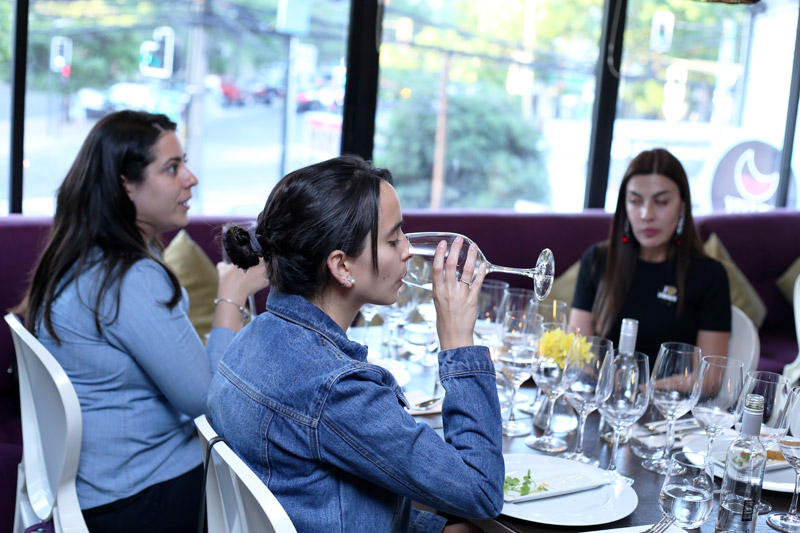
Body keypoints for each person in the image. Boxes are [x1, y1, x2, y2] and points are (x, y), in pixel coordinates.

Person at [207, 155, 503, 532]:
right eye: (393, 239)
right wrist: (458, 340)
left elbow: (311, 497)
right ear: (342, 266)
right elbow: (481, 490)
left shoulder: (252, 337)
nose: (408, 250)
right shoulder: (336, 390)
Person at [20, 110, 267, 532]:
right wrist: (232, 294)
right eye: (172, 168)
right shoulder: (128, 277)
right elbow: (207, 400)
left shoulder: (80, 257)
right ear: (127, 186)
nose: (191, 178)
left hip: (101, 485)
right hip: (142, 498)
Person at [569, 148, 731, 364]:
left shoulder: (709, 275)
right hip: (603, 384)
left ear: (682, 206)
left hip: (671, 387)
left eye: (661, 202)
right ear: (624, 206)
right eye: (635, 201)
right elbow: (578, 355)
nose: (647, 214)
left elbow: (711, 374)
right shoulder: (597, 260)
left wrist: (640, 382)